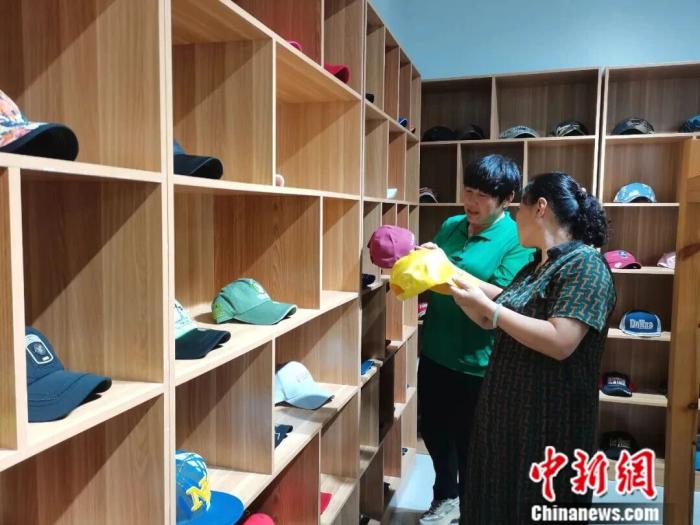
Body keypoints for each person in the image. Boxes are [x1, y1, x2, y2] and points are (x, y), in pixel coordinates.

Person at [449, 172, 616, 524]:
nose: (515, 219)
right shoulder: (536, 265)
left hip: (550, 422)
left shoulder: (585, 265)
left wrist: (490, 309)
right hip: (506, 415)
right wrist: (448, 277)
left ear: (540, 207)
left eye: (518, 210)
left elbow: (560, 341)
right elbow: (496, 313)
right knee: (493, 503)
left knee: (539, 506)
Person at [418, 154, 534, 524]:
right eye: (468, 191)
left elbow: (504, 295)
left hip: (479, 362)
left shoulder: (517, 238)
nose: (471, 201)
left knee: (473, 445)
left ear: (507, 199)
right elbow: (432, 276)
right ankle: (445, 496)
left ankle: (473, 508)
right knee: (434, 431)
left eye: (483, 195)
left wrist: (446, 269)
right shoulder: (451, 225)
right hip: (435, 349)